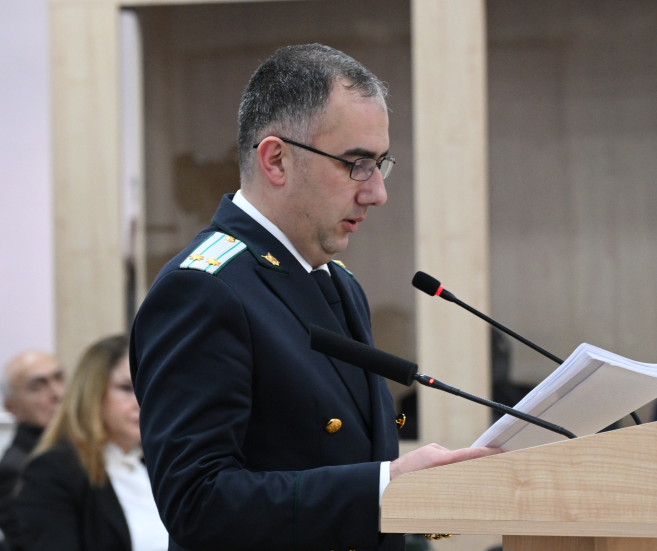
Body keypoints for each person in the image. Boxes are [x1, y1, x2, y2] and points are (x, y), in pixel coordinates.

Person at [131, 44, 499, 551]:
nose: (376, 192)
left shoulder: (337, 282)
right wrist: (386, 485)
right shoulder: (203, 289)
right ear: (277, 159)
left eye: (380, 164)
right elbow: (197, 504)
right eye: (357, 164)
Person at [15, 335, 167, 551]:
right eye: (126, 388)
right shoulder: (52, 472)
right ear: (92, 393)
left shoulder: (160, 464)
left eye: (148, 387)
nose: (141, 402)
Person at [0, 351, 65, 551]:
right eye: (36, 387)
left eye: (59, 378)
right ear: (12, 408)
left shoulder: (82, 447)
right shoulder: (15, 470)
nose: (58, 394)